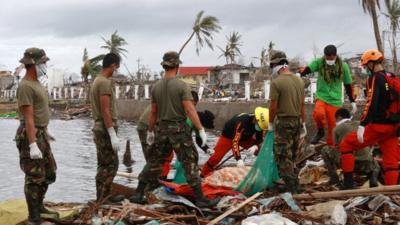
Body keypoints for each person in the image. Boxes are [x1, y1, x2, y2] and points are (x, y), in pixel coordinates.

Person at [130, 51, 218, 207]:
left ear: (164, 66)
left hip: (161, 130)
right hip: (178, 130)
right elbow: (190, 110)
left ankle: (138, 193)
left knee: (153, 162)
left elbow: (154, 112)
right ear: (177, 66)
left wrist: (150, 131)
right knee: (189, 161)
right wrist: (201, 130)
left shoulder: (156, 87)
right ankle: (200, 199)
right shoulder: (181, 86)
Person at [339, 49, 400, 189]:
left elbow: (371, 102)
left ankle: (348, 184)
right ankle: (391, 193)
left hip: (378, 126)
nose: (366, 69)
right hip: (393, 127)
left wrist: (363, 124)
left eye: (366, 66)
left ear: (371, 64)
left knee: (346, 144)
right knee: (391, 161)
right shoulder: (392, 76)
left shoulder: (374, 78)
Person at [15, 48, 58, 225]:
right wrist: (32, 144)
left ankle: (39, 206)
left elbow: (40, 111)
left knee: (49, 172)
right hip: (30, 134)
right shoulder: (25, 86)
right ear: (33, 63)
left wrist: (46, 129)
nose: (45, 65)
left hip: (41, 132)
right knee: (34, 177)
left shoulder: (37, 83)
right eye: (43, 62)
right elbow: (29, 116)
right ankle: (34, 217)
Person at [137, 91, 214, 179]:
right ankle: (157, 179)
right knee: (161, 156)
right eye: (193, 104)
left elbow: (198, 140)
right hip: (150, 125)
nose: (193, 107)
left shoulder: (188, 112)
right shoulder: (178, 108)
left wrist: (207, 149)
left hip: (157, 126)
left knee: (160, 157)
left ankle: (156, 179)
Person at [301, 45, 357, 146]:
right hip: (322, 95)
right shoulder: (320, 62)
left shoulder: (343, 66)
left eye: (332, 58)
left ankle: (331, 147)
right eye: (327, 58)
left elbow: (348, 84)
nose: (329, 60)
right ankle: (320, 130)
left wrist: (352, 101)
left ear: (336, 56)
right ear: (324, 56)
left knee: (333, 127)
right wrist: (299, 74)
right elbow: (309, 69)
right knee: (318, 113)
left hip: (335, 100)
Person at [269, 50, 306, 194]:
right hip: (297, 121)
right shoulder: (299, 80)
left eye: (272, 66)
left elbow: (273, 107)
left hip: (284, 123)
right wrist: (303, 123)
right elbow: (302, 105)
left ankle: (292, 189)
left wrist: (271, 124)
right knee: (292, 155)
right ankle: (294, 183)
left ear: (276, 65)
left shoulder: (277, 82)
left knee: (283, 156)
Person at [90, 53, 124, 203]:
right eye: (117, 66)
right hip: (104, 127)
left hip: (100, 126)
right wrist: (111, 133)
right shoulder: (104, 82)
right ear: (113, 65)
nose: (117, 69)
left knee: (104, 163)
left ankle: (104, 196)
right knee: (111, 164)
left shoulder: (97, 80)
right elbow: (105, 110)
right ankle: (104, 197)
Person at [200, 108, 268, 177]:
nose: (259, 127)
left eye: (261, 127)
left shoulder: (261, 125)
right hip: (228, 137)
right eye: (259, 125)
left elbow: (259, 139)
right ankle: (203, 175)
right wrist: (239, 159)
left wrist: (255, 146)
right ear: (255, 119)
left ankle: (265, 172)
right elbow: (235, 142)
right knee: (215, 158)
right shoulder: (242, 123)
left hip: (245, 138)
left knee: (262, 152)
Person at [321, 108, 379, 187]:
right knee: (374, 163)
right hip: (366, 163)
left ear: (339, 117)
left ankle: (335, 179)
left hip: (348, 163)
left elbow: (336, 146)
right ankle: (372, 176)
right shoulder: (361, 125)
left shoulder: (337, 129)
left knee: (325, 150)